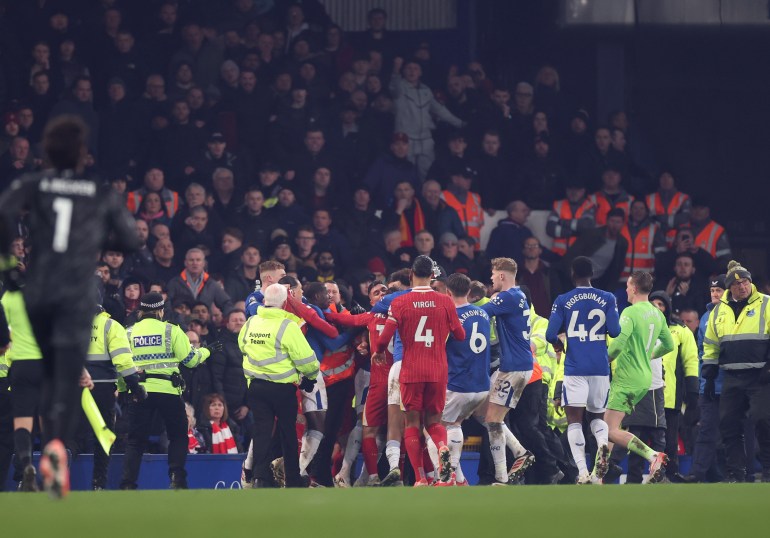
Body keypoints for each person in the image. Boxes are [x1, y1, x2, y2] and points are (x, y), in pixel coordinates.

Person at [0, 115, 140, 498]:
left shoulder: (34, 183)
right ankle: (57, 447)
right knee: (65, 376)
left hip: (41, 290)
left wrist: (9, 268)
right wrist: (95, 234)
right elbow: (131, 239)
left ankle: (45, 452)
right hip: (78, 292)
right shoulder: (98, 190)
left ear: (45, 151)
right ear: (82, 154)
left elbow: (2, 212)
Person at [373, 256, 465, 486]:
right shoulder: (445, 302)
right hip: (437, 370)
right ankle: (443, 448)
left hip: (411, 370)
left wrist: (379, 351)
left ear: (412, 274)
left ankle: (420, 479)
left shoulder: (400, 303)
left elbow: (385, 337)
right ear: (432, 276)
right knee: (434, 422)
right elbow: (461, 335)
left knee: (412, 423)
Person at [120, 293, 221, 490]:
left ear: (140, 311)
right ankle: (177, 478)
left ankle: (128, 484)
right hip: (168, 391)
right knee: (178, 435)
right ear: (160, 311)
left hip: (140, 391)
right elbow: (191, 360)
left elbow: (121, 365)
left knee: (135, 441)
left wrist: (124, 390)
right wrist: (207, 351)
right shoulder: (172, 330)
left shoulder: (128, 333)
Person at [546, 256, 621, 483]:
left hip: (575, 367)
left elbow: (550, 334)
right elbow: (616, 331)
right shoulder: (607, 298)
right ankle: (601, 446)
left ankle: (582, 472)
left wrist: (559, 344)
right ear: (592, 274)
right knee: (597, 417)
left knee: (575, 421)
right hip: (600, 367)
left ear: (572, 274)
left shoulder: (563, 299)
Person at [595, 271, 674, 484]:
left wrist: (602, 361)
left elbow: (618, 345)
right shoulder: (657, 313)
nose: (627, 290)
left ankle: (652, 456)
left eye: (629, 286)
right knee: (611, 426)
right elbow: (668, 345)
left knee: (608, 428)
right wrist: (648, 355)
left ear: (635, 288)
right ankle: (598, 475)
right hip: (644, 378)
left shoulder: (629, 313)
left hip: (627, 378)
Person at [240, 283, 320, 488]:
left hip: (256, 387)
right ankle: (292, 478)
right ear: (285, 302)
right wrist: (311, 376)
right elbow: (305, 358)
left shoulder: (250, 323)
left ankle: (260, 477)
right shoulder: (287, 325)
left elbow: (242, 345)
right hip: (283, 388)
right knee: (287, 432)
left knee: (262, 431)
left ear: (264, 301)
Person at [702, 261, 770, 482]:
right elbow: (711, 343)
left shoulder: (766, 304)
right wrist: (709, 373)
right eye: (737, 283)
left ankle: (768, 471)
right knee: (729, 425)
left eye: (746, 281)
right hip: (731, 376)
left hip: (761, 376)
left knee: (763, 421)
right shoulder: (718, 310)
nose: (743, 286)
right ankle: (736, 474)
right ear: (730, 287)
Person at [478, 258, 543, 485]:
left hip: (514, 367)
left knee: (492, 420)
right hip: (518, 364)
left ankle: (505, 473)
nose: (492, 279)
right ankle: (517, 456)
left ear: (502, 276)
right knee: (488, 414)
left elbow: (480, 313)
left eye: (494, 275)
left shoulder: (506, 297)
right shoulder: (519, 296)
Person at [81, 306, 144, 490]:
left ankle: (60, 476)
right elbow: (123, 360)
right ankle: (98, 483)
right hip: (102, 387)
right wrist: (135, 387)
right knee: (103, 435)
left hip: (73, 385)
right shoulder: (110, 325)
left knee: (72, 436)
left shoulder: (70, 323)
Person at [441, 273, 492, 486]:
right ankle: (460, 479)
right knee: (456, 424)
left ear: (448, 292)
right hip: (481, 384)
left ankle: (450, 475)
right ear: (469, 292)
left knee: (439, 426)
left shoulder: (449, 315)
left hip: (459, 382)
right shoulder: (483, 314)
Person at [649, 291, 699, 481]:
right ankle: (637, 475)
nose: (657, 307)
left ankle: (669, 473)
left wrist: (693, 389)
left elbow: (690, 360)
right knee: (641, 436)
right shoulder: (640, 328)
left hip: (670, 395)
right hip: (643, 394)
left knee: (670, 439)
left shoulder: (680, 330)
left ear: (668, 307)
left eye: (661, 304)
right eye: (653, 303)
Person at [688, 275, 726, 482]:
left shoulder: (733, 315)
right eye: (713, 291)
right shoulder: (704, 317)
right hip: (709, 384)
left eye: (719, 291)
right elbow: (703, 354)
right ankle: (698, 473)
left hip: (730, 383)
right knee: (706, 430)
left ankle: (732, 472)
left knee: (731, 432)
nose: (715, 294)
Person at [546, 179, 596, 256]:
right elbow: (550, 229)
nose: (573, 192)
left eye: (577, 190)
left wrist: (561, 221)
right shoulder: (558, 205)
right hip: (558, 255)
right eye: (570, 189)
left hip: (581, 254)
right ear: (566, 190)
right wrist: (574, 232)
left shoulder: (589, 206)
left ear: (583, 191)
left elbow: (586, 226)